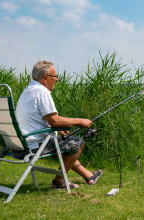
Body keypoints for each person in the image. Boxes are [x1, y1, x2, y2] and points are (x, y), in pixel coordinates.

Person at [16, 61, 102, 189]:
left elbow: (36, 119)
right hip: (32, 146)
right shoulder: (42, 92)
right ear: (45, 78)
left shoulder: (28, 90)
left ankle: (89, 176)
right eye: (54, 76)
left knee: (63, 144)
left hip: (18, 144)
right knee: (76, 143)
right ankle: (59, 182)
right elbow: (54, 121)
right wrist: (81, 121)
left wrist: (57, 130)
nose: (56, 79)